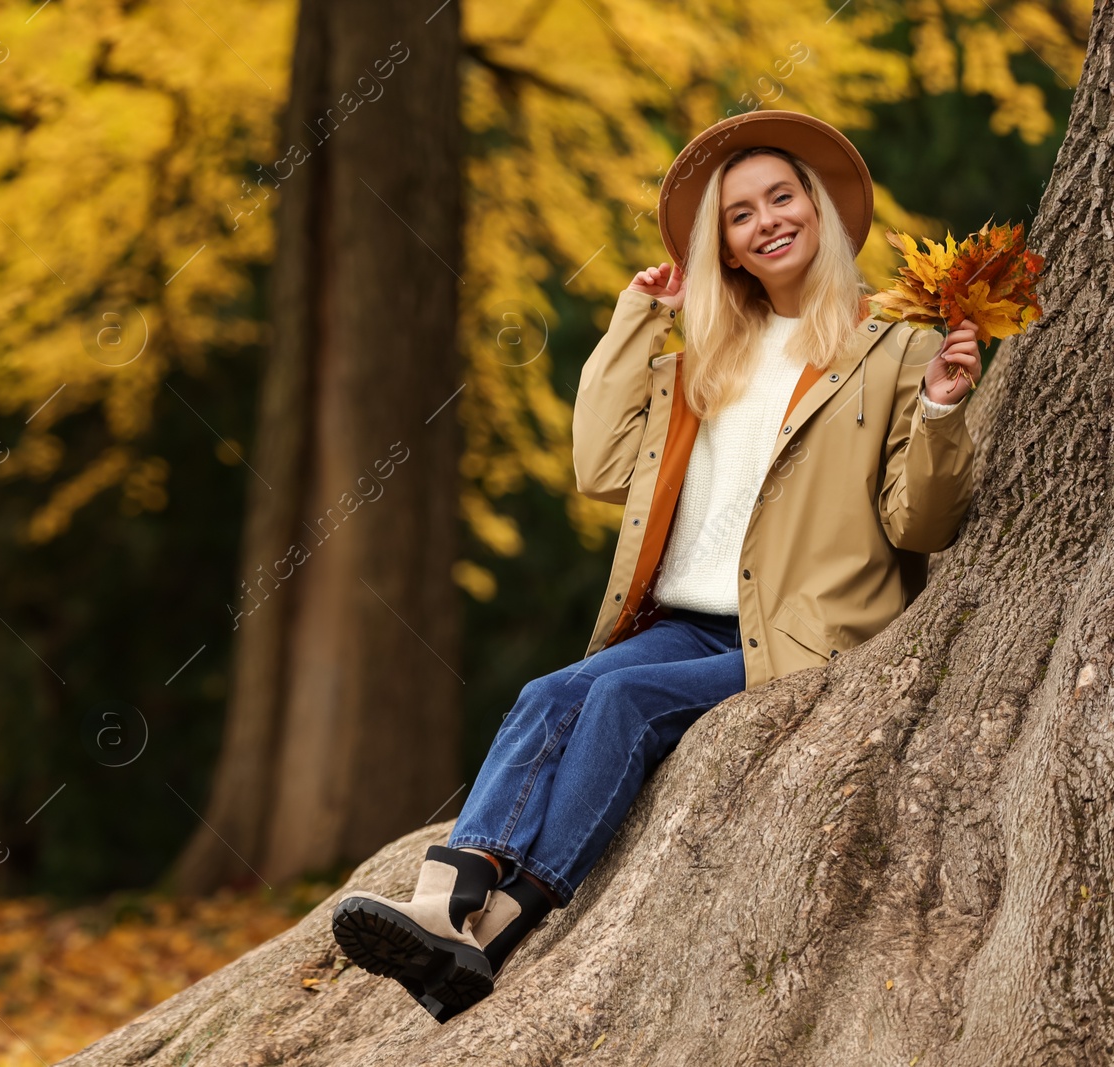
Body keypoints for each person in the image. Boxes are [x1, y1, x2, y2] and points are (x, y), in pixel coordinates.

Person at [330, 109, 981, 1023]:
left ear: (821, 211)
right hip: (684, 620)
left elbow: (923, 523)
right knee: (549, 695)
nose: (766, 222)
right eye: (740, 216)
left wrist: (947, 409)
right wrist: (639, 314)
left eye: (780, 198)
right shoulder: (699, 362)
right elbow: (598, 467)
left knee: (621, 702)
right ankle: (444, 908)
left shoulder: (899, 345)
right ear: (729, 249)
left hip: (802, 629)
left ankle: (502, 927)